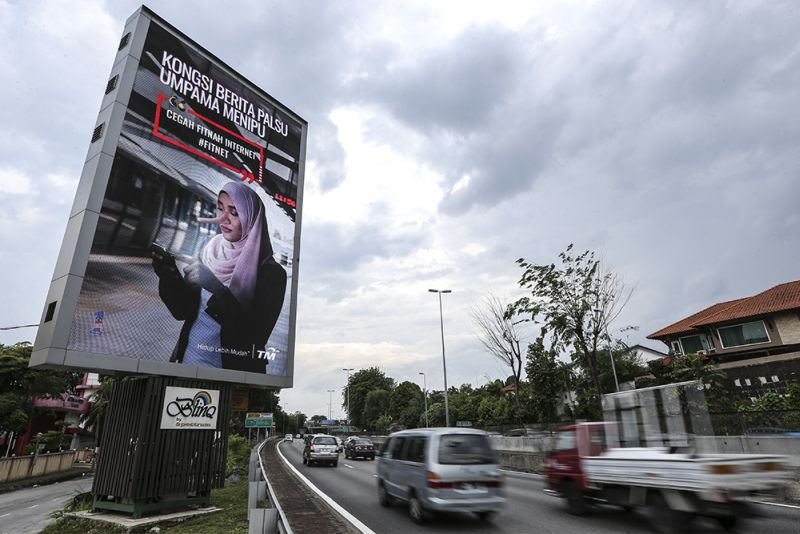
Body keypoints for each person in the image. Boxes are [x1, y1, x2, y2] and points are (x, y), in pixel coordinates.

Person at [152, 180, 286, 372]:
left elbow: (254, 337)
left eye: (234, 212)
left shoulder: (271, 273)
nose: (223, 219)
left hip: (232, 377)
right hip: (186, 363)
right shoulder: (210, 251)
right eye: (220, 209)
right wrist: (169, 275)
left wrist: (216, 287)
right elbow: (183, 311)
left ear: (252, 219)